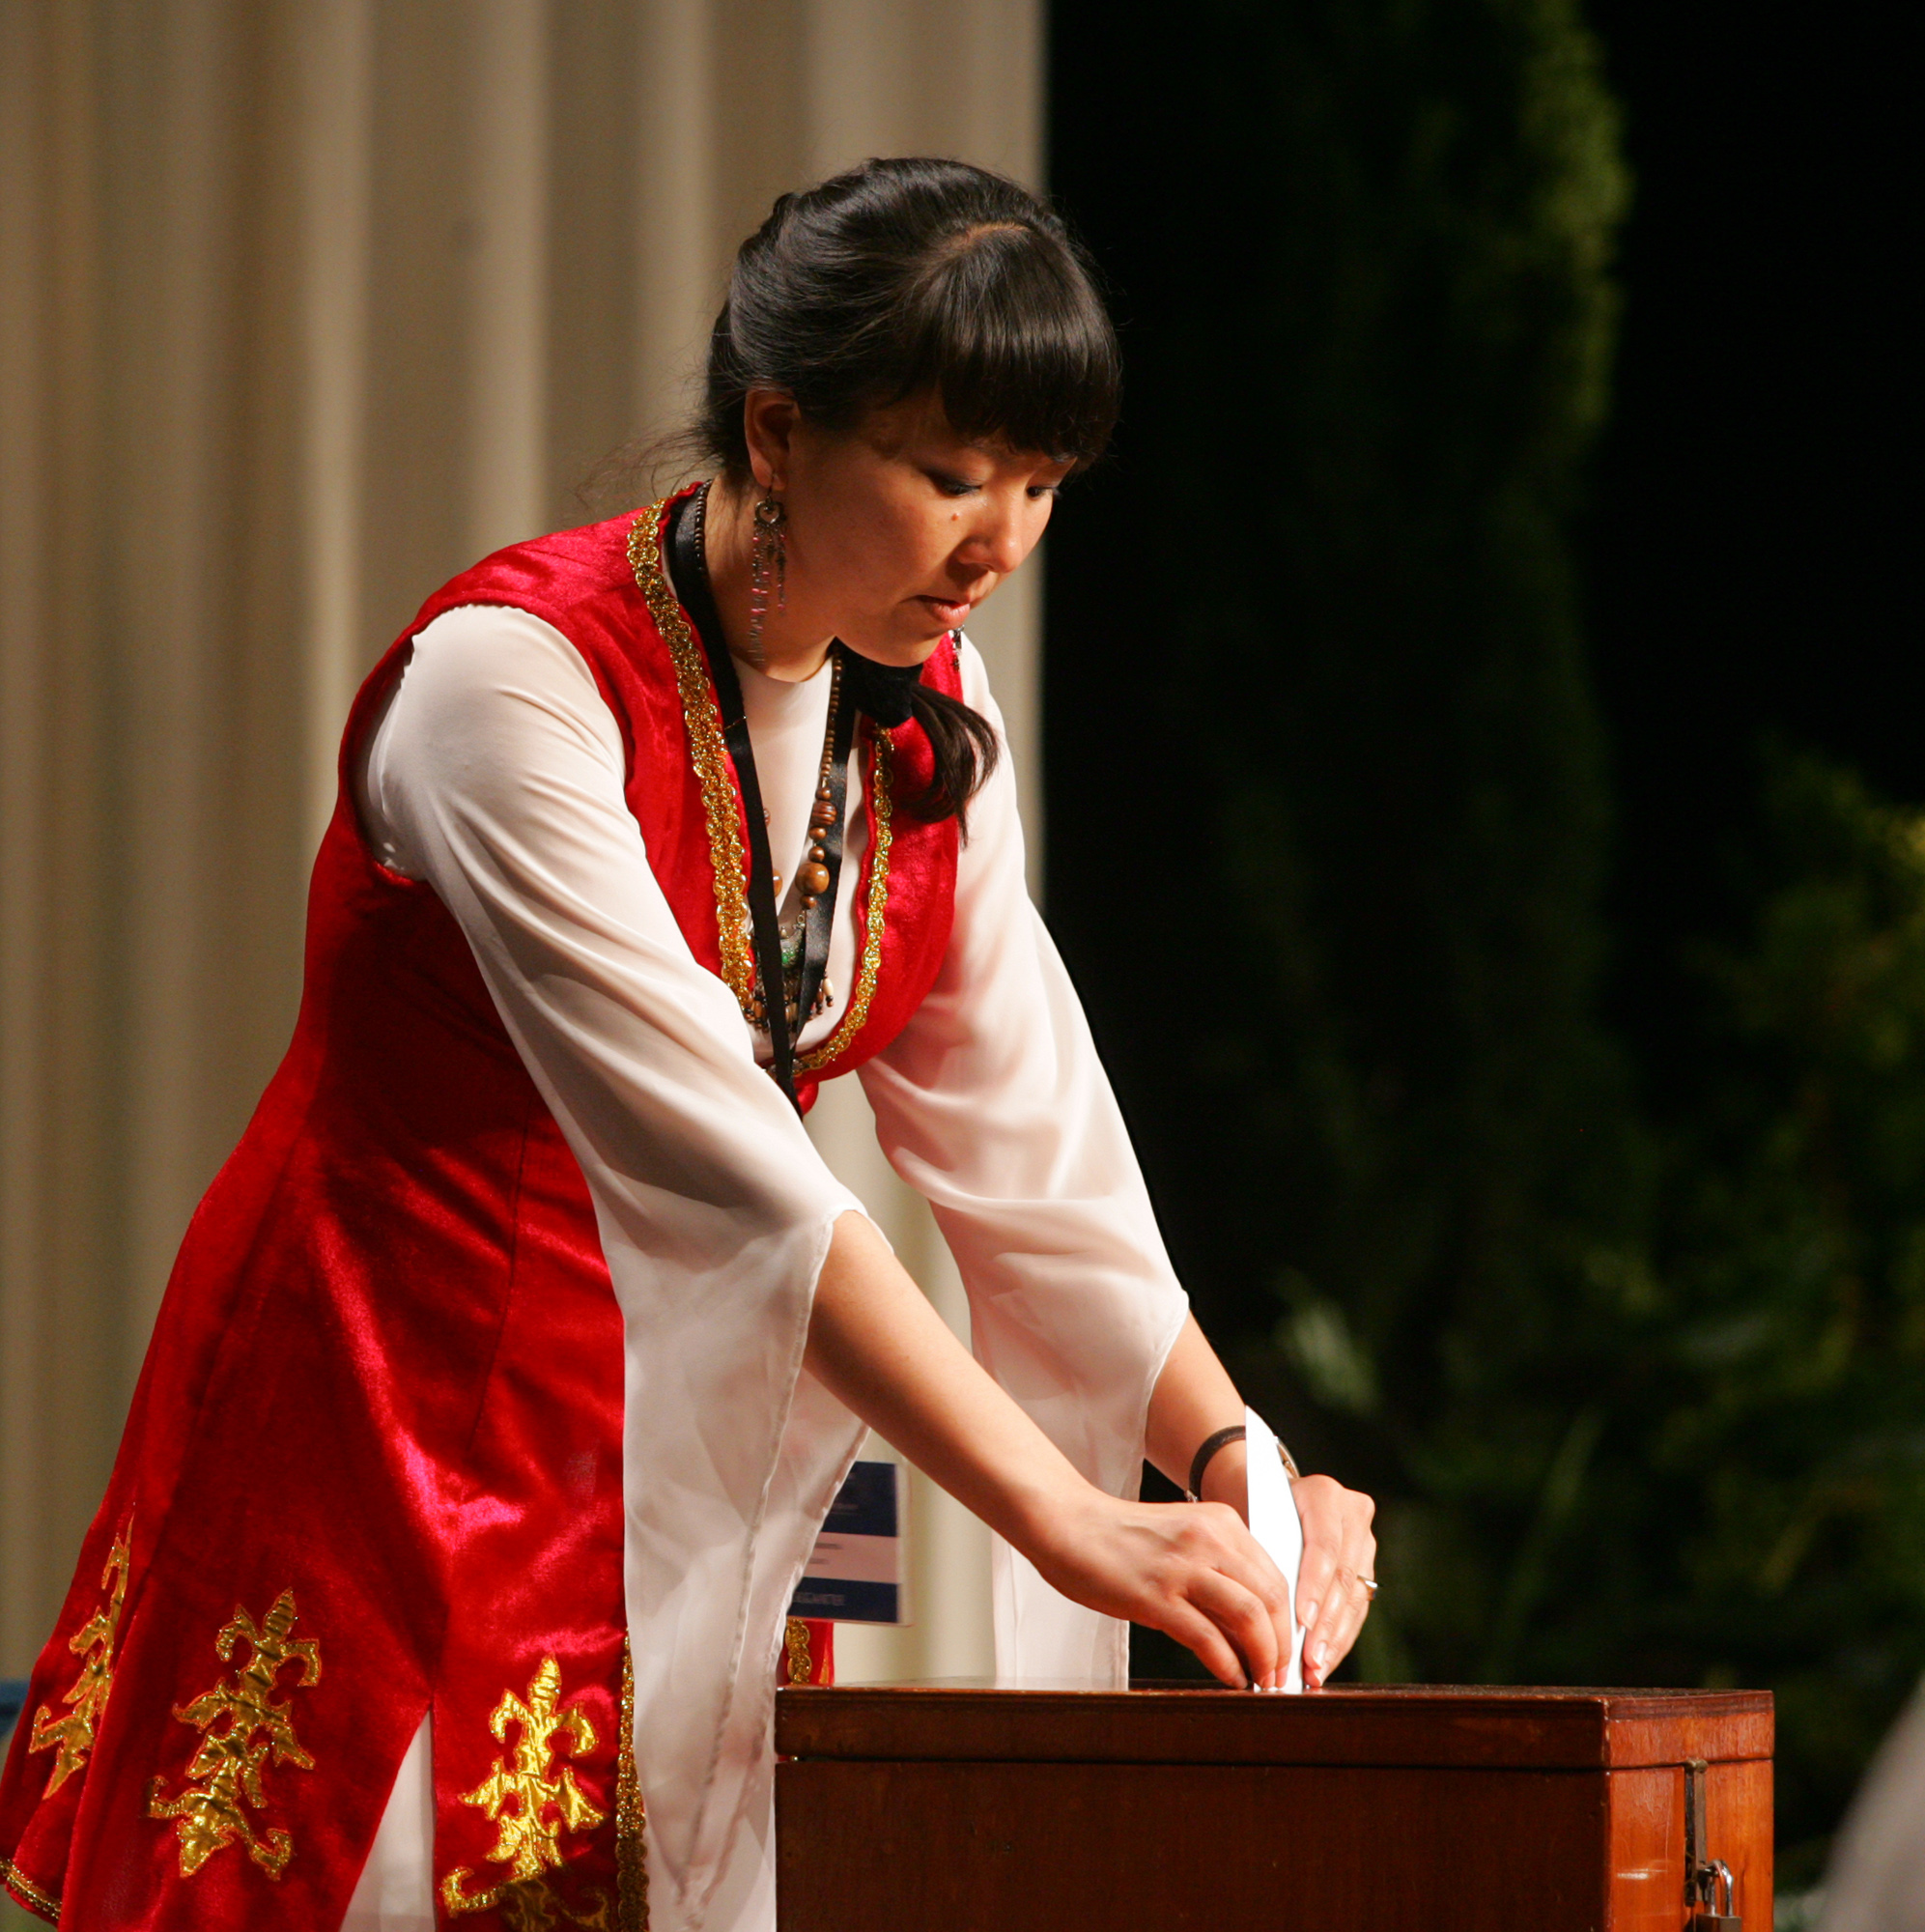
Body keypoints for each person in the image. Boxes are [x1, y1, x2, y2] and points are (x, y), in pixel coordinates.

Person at [0, 157, 1376, 1932]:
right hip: (399, 1403)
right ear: (779, 432)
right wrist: (1059, 1516)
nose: (1002, 542)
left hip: (680, 1424)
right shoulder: (513, 688)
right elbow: (739, 1179)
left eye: (1042, 485)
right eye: (951, 474)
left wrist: (1230, 1464)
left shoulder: (928, 722)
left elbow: (1046, 1170)